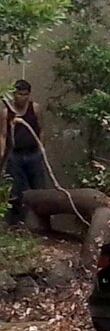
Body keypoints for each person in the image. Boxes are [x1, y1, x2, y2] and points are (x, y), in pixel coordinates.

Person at [0, 79, 47, 224]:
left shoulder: (35, 108)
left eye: (25, 94)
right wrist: (2, 154)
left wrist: (41, 149)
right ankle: (15, 225)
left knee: (40, 189)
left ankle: (43, 223)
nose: (23, 97)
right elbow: (3, 135)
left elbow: (42, 129)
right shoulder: (6, 112)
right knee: (15, 192)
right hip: (15, 155)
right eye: (20, 94)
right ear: (14, 94)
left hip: (33, 154)